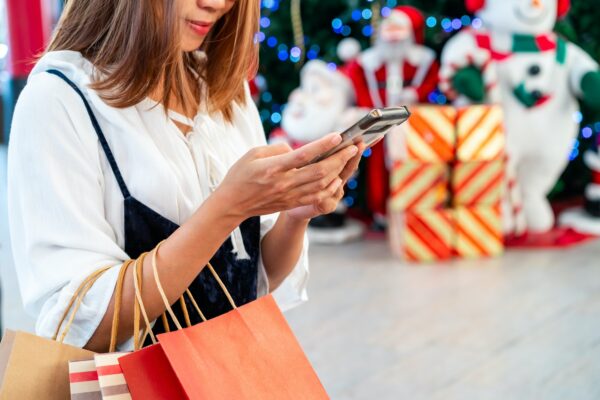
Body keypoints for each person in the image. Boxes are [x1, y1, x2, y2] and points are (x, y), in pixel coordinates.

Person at [7, 0, 363, 352]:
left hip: (229, 375)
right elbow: (82, 326)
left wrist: (296, 214)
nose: (217, 4)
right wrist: (228, 207)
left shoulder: (224, 89)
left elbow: (255, 279)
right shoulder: (59, 101)